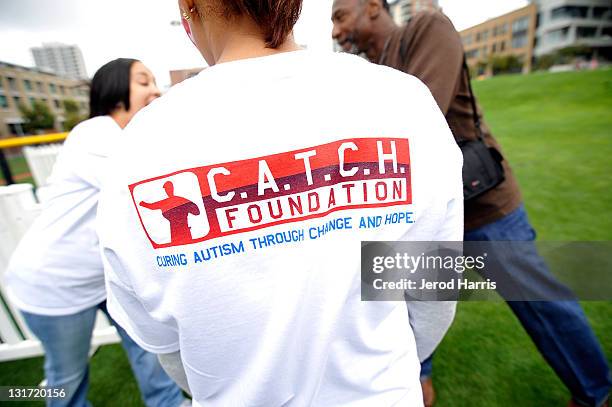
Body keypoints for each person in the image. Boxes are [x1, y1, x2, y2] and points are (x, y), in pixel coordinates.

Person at [95, 0, 463, 405]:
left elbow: (161, 339)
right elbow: (432, 283)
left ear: (188, 7)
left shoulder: (140, 144)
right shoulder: (399, 98)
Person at [330, 1, 611, 407]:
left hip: (481, 204)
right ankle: (416, 381)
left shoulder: (425, 28)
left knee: (540, 303)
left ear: (373, 7)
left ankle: (595, 391)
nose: (336, 32)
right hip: (422, 217)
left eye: (340, 17)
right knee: (410, 303)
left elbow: (416, 122)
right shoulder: (372, 68)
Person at [5, 58, 188, 407]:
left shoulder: (130, 137)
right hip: (54, 285)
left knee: (149, 353)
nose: (155, 89)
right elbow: (143, 188)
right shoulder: (96, 132)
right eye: (143, 81)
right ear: (115, 89)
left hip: (104, 279)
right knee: (67, 381)